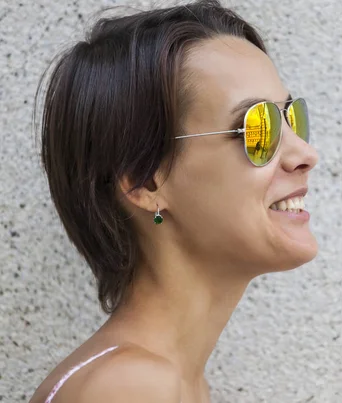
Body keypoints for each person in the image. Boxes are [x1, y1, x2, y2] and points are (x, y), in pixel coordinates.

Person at [29, 1, 318, 402]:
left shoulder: (172, 382)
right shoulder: (132, 388)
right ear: (146, 181)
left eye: (292, 119)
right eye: (258, 127)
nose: (305, 153)